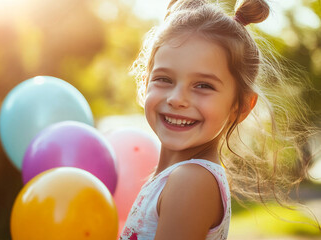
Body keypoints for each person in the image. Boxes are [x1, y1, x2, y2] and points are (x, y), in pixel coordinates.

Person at [119, 0, 320, 239]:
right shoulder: (174, 178)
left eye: (203, 85)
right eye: (164, 79)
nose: (177, 99)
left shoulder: (190, 181)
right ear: (144, 84)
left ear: (241, 106)